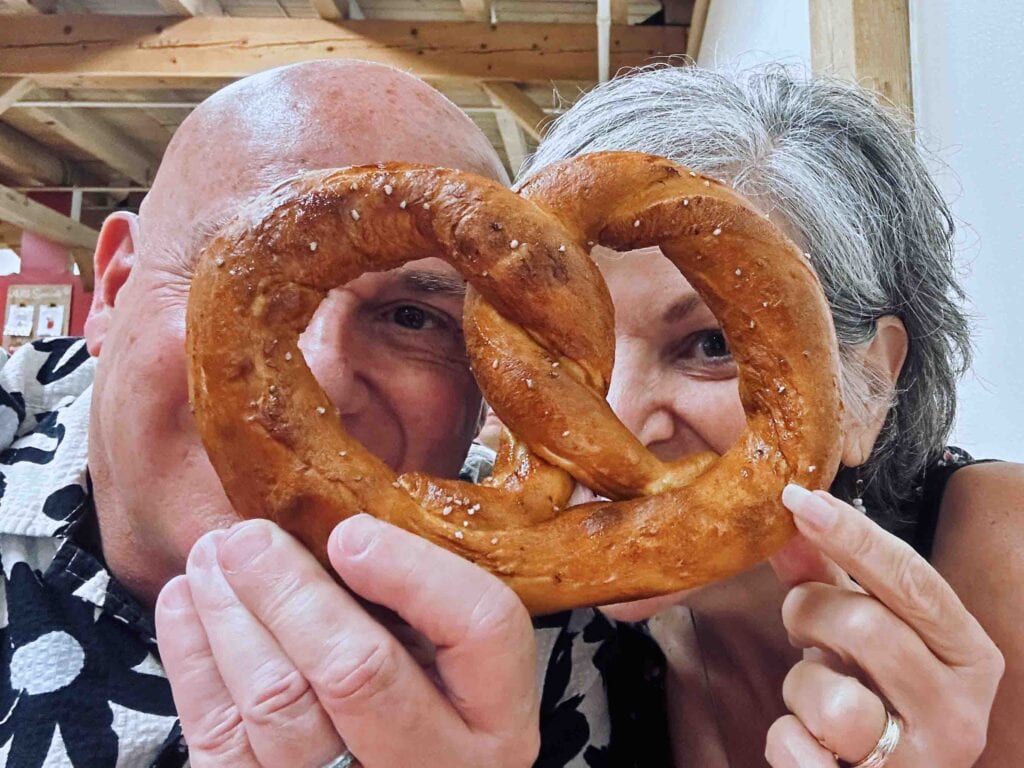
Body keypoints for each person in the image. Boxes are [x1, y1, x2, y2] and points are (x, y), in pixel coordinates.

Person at [0, 60, 550, 768]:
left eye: (414, 317)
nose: (318, 378)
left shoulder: (588, 653)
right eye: (236, 273)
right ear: (112, 292)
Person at [500, 64, 1020, 767]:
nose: (610, 422)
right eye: (559, 343)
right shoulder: (515, 629)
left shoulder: (1003, 550)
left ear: (865, 384)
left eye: (711, 344)